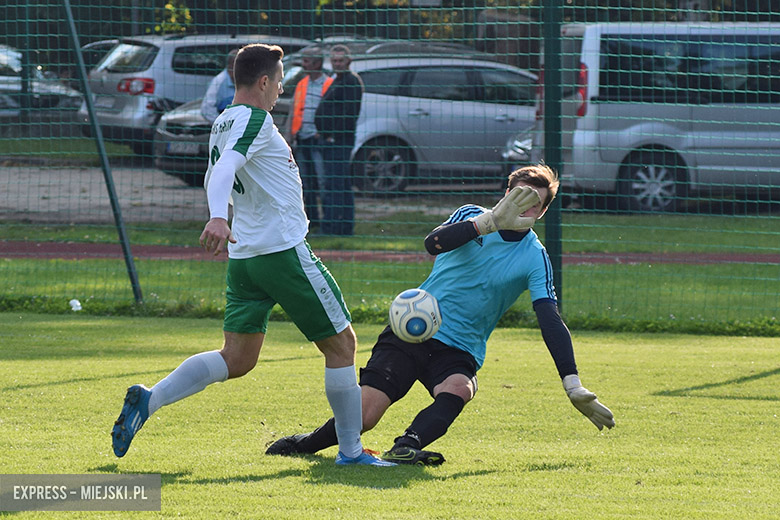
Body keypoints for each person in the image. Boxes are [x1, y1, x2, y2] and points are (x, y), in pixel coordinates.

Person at [111, 43, 394, 467]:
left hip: (246, 261)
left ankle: (149, 401)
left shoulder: (223, 120)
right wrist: (217, 219)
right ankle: (351, 453)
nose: (281, 88)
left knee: (237, 359)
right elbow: (224, 171)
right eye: (280, 81)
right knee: (342, 345)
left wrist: (223, 218)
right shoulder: (255, 120)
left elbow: (216, 172)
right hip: (280, 252)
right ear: (263, 81)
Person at [266, 164, 615, 465]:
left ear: (542, 213)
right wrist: (489, 222)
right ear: (506, 192)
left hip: (459, 348)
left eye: (534, 204)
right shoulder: (471, 215)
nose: (523, 207)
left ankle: (407, 446)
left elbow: (550, 319)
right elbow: (432, 244)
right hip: (412, 331)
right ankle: (306, 444)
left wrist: (572, 382)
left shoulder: (535, 257)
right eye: (519, 195)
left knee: (460, 388)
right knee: (365, 416)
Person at [314, 44, 363, 236]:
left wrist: (331, 134)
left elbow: (349, 115)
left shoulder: (351, 82)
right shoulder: (338, 80)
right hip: (331, 140)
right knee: (339, 184)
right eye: (334, 60)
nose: (337, 63)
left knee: (335, 185)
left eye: (340, 60)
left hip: (339, 141)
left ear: (348, 61)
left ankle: (334, 227)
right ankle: (342, 227)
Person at [288, 46, 334, 228]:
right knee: (305, 182)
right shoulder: (302, 84)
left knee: (323, 180)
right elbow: (294, 110)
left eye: (307, 61)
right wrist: (290, 133)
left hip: (318, 139)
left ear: (317, 63)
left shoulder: (328, 84)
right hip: (302, 138)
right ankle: (311, 219)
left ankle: (327, 221)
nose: (304, 65)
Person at [200, 48, 239, 123]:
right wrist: (221, 124)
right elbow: (207, 109)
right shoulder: (218, 82)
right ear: (230, 66)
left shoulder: (246, 79)